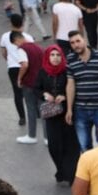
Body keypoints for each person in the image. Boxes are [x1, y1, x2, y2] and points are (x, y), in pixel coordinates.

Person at [37, 44, 81, 183]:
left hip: (67, 113)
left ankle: (71, 173)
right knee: (54, 145)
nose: (55, 58)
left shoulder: (66, 71)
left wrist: (65, 96)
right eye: (52, 55)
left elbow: (75, 88)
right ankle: (61, 170)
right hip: (51, 116)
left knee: (70, 145)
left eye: (58, 55)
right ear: (47, 57)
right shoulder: (42, 72)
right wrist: (44, 94)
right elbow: (35, 89)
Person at [65, 31, 98, 151]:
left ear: (84, 40)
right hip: (81, 109)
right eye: (72, 43)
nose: (76, 45)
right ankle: (89, 169)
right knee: (83, 145)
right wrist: (69, 109)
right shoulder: (70, 59)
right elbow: (70, 85)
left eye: (78, 41)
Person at [10, 31, 45, 143]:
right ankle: (47, 137)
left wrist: (19, 78)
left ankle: (32, 136)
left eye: (15, 44)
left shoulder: (22, 49)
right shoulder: (38, 47)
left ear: (16, 40)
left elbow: (24, 64)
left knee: (31, 109)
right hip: (41, 83)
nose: (17, 46)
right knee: (43, 110)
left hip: (29, 83)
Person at [1, 15, 35, 126]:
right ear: (22, 23)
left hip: (13, 68)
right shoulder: (27, 37)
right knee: (31, 90)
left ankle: (22, 117)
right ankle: (36, 113)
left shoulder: (5, 36)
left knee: (17, 93)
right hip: (27, 65)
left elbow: (4, 53)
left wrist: (9, 60)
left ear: (11, 23)